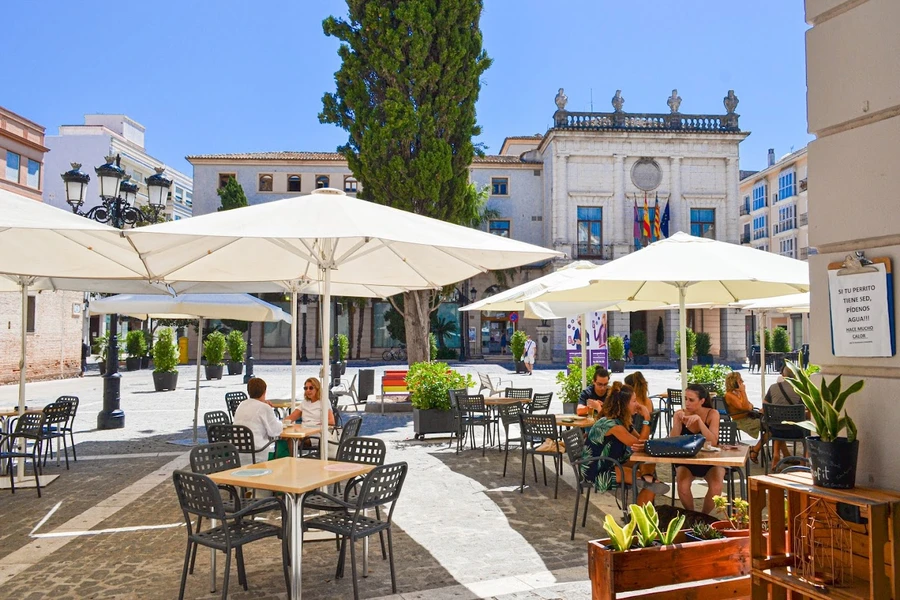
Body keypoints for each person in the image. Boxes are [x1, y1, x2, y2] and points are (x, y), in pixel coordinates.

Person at [581, 382, 669, 505]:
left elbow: (642, 442)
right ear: (624, 405)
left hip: (611, 462)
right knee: (652, 485)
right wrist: (647, 418)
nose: (637, 404)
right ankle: (639, 511)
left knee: (649, 463)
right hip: (598, 471)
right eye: (634, 401)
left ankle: (645, 478)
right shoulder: (612, 425)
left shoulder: (620, 421)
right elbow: (639, 445)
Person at [671, 384, 724, 514]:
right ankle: (692, 515)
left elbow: (713, 441)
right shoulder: (680, 414)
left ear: (702, 401)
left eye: (691, 400)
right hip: (687, 460)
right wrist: (677, 422)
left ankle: (703, 516)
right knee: (682, 485)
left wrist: (700, 422)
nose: (687, 403)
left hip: (711, 461)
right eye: (685, 399)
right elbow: (672, 441)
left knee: (716, 486)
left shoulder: (712, 414)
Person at [764, 364, 807, 465]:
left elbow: (765, 404)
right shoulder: (801, 390)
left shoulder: (773, 387)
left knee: (779, 422)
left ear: (783, 375)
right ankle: (804, 461)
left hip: (776, 431)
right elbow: (807, 411)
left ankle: (776, 455)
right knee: (809, 432)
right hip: (797, 432)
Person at [233, 377, 284, 462]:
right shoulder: (264, 407)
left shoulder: (241, 404)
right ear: (264, 392)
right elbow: (275, 431)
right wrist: (282, 423)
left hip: (238, 452)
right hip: (257, 452)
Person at [724, 372, 764, 463]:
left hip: (747, 418)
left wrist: (747, 405)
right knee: (771, 429)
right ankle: (755, 450)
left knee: (772, 429)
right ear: (734, 382)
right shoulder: (729, 395)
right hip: (741, 421)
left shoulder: (737, 394)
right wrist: (743, 391)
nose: (742, 381)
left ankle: (755, 449)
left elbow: (750, 405)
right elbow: (746, 407)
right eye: (740, 380)